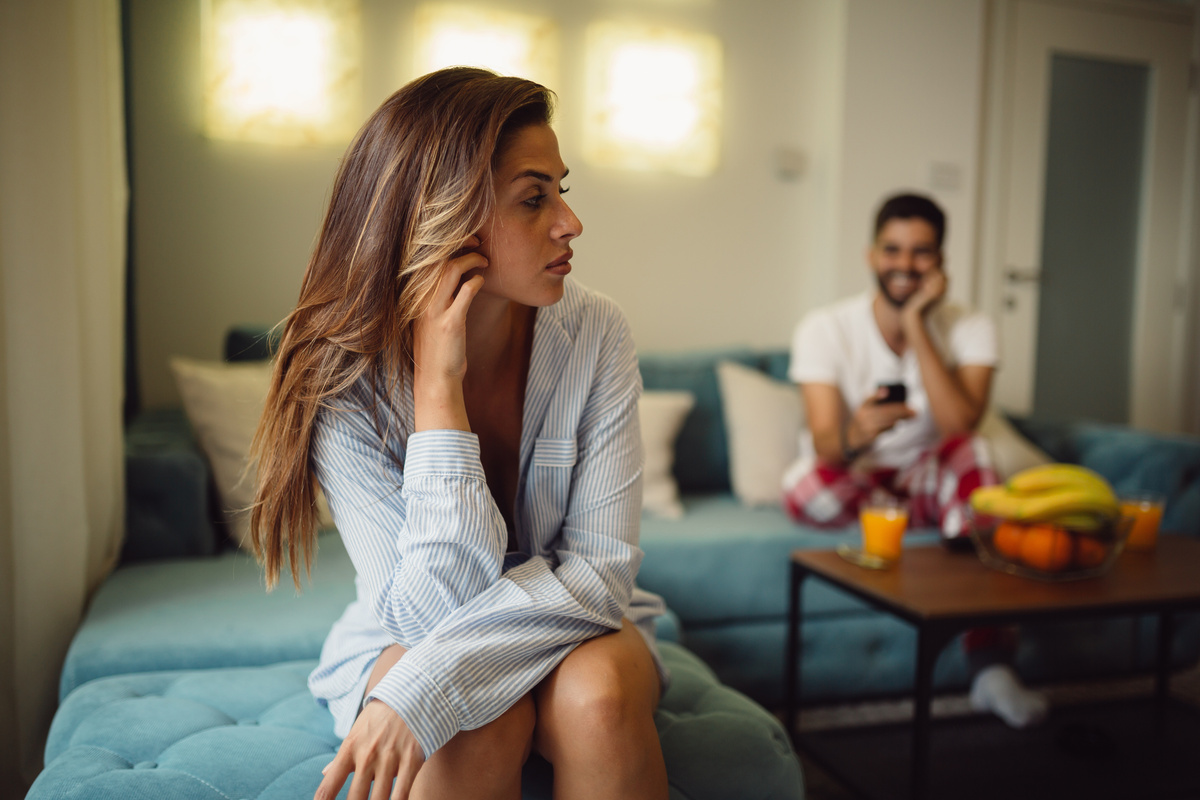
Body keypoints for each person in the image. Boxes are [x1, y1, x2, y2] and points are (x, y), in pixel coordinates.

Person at [250, 68, 669, 800]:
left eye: (561, 191)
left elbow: (599, 574)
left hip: (577, 619)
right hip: (406, 630)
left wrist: (424, 689)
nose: (570, 223)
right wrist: (439, 397)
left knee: (595, 700)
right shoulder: (341, 378)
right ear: (439, 218)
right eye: (534, 198)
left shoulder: (596, 332)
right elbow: (422, 617)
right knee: (470, 727)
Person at [782, 192, 1048, 729]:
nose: (905, 264)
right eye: (893, 250)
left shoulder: (971, 326)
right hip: (858, 478)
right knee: (805, 484)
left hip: (926, 477)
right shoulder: (825, 327)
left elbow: (959, 427)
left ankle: (991, 668)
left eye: (921, 252)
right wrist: (857, 432)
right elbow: (827, 443)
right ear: (871, 255)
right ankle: (957, 522)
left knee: (975, 454)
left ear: (941, 261)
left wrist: (919, 324)